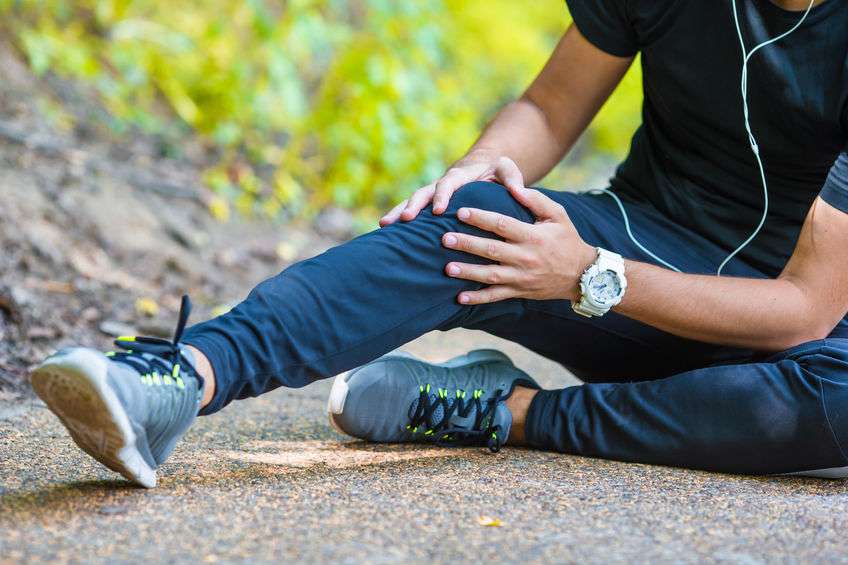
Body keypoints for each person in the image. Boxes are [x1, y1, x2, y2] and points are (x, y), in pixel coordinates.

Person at [32, 0, 848, 488]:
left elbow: (805, 310)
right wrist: (471, 175)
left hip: (792, 340)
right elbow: (550, 105)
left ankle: (511, 413)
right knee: (481, 220)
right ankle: (177, 381)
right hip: (644, 243)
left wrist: (592, 274)